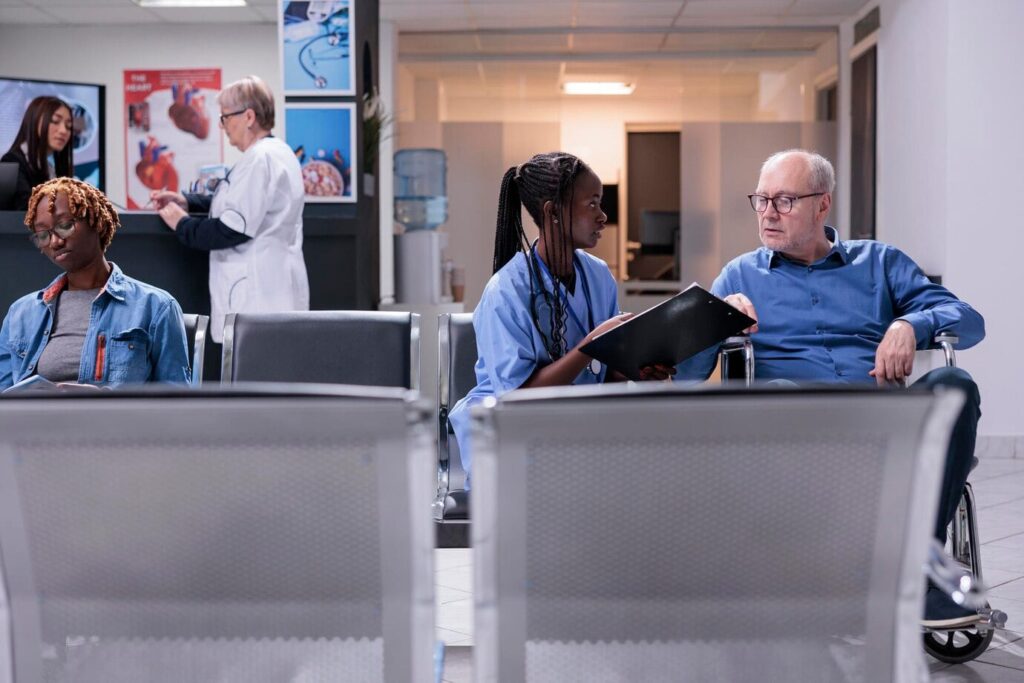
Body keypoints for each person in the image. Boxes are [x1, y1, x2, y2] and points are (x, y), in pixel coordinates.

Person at [676, 149, 985, 629]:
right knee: (774, 392)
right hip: (794, 431)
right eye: (761, 200)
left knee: (955, 383)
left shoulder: (879, 262)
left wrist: (909, 323)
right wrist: (713, 317)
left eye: (784, 200)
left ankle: (916, 571)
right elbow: (685, 377)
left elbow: (969, 321)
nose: (768, 213)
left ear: (822, 205)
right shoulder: (739, 276)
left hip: (885, 418)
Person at [447, 152, 672, 484]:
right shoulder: (506, 291)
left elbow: (602, 374)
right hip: (512, 443)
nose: (602, 216)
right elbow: (517, 402)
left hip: (577, 431)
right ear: (553, 212)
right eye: (592, 204)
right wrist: (591, 345)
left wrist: (636, 370)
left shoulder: (598, 276)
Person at [150, 75, 308, 343]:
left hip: (259, 297)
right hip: (272, 289)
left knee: (255, 377)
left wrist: (182, 224)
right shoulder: (276, 152)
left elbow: (230, 230)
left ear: (248, 116)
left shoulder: (260, 159)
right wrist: (187, 202)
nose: (222, 126)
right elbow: (240, 201)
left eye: (225, 117)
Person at [0, 178, 190, 389]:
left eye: (65, 226)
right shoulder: (21, 314)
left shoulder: (156, 307)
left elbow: (176, 403)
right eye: (43, 235)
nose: (55, 242)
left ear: (96, 223)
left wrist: (103, 402)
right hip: (38, 422)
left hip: (115, 422)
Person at [1, 96, 74, 211]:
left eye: (68, 126)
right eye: (55, 121)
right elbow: (24, 212)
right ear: (35, 121)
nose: (63, 130)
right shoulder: (12, 162)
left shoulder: (51, 170)